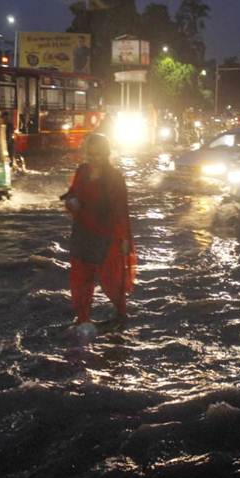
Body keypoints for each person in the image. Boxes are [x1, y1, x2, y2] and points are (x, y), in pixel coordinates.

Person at [62, 133, 135, 330]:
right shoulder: (82, 171)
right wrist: (71, 202)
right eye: (91, 154)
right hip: (83, 233)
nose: (95, 158)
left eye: (99, 154)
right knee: (80, 281)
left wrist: (124, 239)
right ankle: (83, 318)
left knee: (112, 281)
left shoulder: (115, 177)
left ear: (107, 153)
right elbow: (72, 194)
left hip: (107, 234)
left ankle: (121, 316)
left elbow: (121, 210)